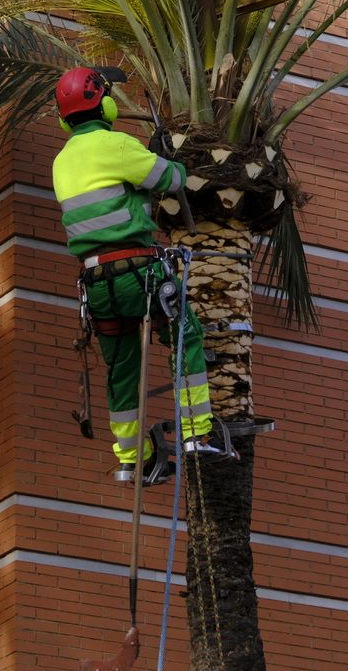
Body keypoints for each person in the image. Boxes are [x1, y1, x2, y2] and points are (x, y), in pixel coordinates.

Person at [51, 66, 221, 484]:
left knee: (122, 367)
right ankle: (197, 434)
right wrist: (163, 153)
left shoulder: (62, 161)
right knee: (186, 335)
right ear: (105, 104)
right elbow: (171, 178)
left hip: (97, 285)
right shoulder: (115, 145)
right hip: (138, 272)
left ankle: (134, 456)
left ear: (63, 118)